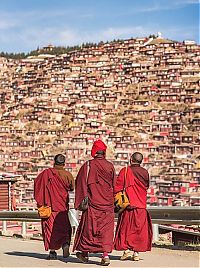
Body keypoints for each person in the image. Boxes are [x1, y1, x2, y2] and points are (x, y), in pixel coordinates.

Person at [73, 140, 116, 266]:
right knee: (106, 231)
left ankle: (85, 254)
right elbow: (114, 185)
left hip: (93, 203)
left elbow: (80, 183)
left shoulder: (88, 166)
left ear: (94, 151)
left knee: (89, 229)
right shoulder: (110, 166)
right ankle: (105, 255)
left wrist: (81, 200)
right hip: (107, 204)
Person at [34, 154, 74, 260]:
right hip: (63, 208)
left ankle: (52, 252)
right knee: (64, 228)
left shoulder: (46, 173)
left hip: (50, 207)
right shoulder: (67, 175)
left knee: (50, 229)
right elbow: (72, 187)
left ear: (54, 162)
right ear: (64, 163)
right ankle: (65, 244)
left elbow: (37, 185)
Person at [114, 152, 152, 261]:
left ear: (131, 159)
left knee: (126, 230)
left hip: (128, 206)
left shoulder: (125, 171)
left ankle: (126, 251)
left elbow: (118, 188)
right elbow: (146, 186)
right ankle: (136, 254)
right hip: (141, 206)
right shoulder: (145, 173)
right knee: (138, 231)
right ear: (141, 161)